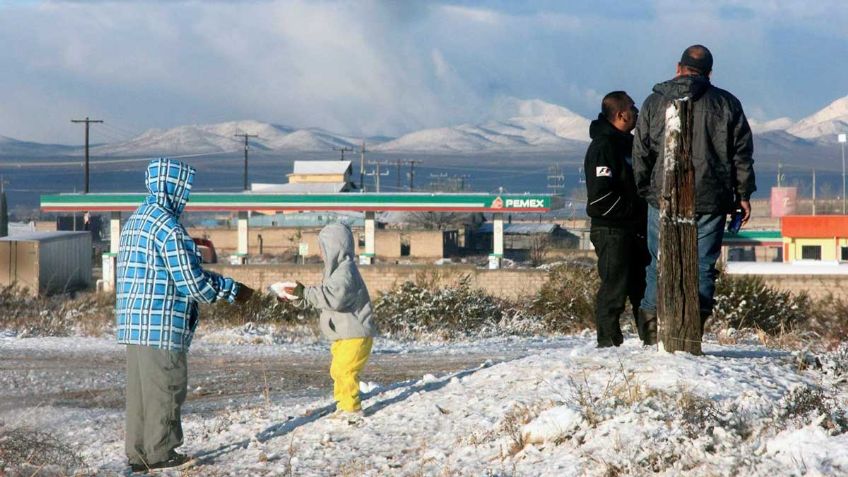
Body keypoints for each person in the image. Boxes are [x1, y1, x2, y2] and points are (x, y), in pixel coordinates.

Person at [116, 158, 254, 473]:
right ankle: (161, 451)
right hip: (162, 322)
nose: (186, 197)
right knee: (166, 387)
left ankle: (139, 454)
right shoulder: (168, 227)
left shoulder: (137, 219)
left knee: (140, 395)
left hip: (134, 324)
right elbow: (194, 284)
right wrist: (231, 290)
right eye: (184, 190)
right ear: (172, 187)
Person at [632, 45, 756, 342]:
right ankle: (689, 333)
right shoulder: (727, 104)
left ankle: (651, 333)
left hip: (662, 196)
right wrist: (743, 193)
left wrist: (647, 189)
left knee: (658, 262)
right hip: (711, 198)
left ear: (679, 68)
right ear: (709, 72)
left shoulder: (653, 102)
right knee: (702, 265)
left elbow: (641, 152)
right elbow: (741, 153)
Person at [279, 223, 377, 422]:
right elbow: (322, 298)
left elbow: (333, 298)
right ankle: (343, 404)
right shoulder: (334, 272)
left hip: (356, 334)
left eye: (324, 248)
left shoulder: (345, 271)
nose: (322, 254)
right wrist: (297, 298)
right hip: (343, 335)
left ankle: (352, 409)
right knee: (337, 371)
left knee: (345, 370)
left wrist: (304, 292)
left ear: (335, 247)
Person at [584, 91, 650, 347]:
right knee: (614, 290)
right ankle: (608, 345)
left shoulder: (629, 145)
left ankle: (652, 342)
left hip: (634, 231)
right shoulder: (604, 147)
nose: (637, 113)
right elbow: (600, 199)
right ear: (621, 114)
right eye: (633, 109)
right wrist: (635, 209)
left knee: (642, 291)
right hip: (612, 231)